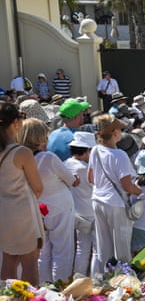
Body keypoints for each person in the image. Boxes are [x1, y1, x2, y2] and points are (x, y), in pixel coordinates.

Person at [21, 119, 77, 283]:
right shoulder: (48, 157)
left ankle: (44, 288)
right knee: (63, 251)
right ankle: (60, 289)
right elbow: (71, 180)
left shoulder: (21, 159)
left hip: (38, 209)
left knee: (43, 254)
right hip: (60, 208)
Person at [89, 113, 141, 274]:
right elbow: (127, 185)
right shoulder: (120, 155)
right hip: (116, 203)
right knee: (122, 246)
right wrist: (140, 191)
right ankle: (124, 281)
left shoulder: (95, 150)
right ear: (115, 133)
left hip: (98, 199)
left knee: (103, 246)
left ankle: (105, 279)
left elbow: (90, 178)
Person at [0, 102, 43, 282]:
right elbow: (38, 188)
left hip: (4, 211)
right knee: (30, 263)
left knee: (8, 261)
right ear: (16, 123)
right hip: (24, 213)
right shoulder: (22, 152)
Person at [64, 131, 96, 275]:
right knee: (94, 249)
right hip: (89, 213)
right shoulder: (84, 168)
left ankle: (78, 277)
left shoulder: (66, 163)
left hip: (75, 212)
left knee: (81, 248)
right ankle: (91, 277)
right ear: (87, 150)